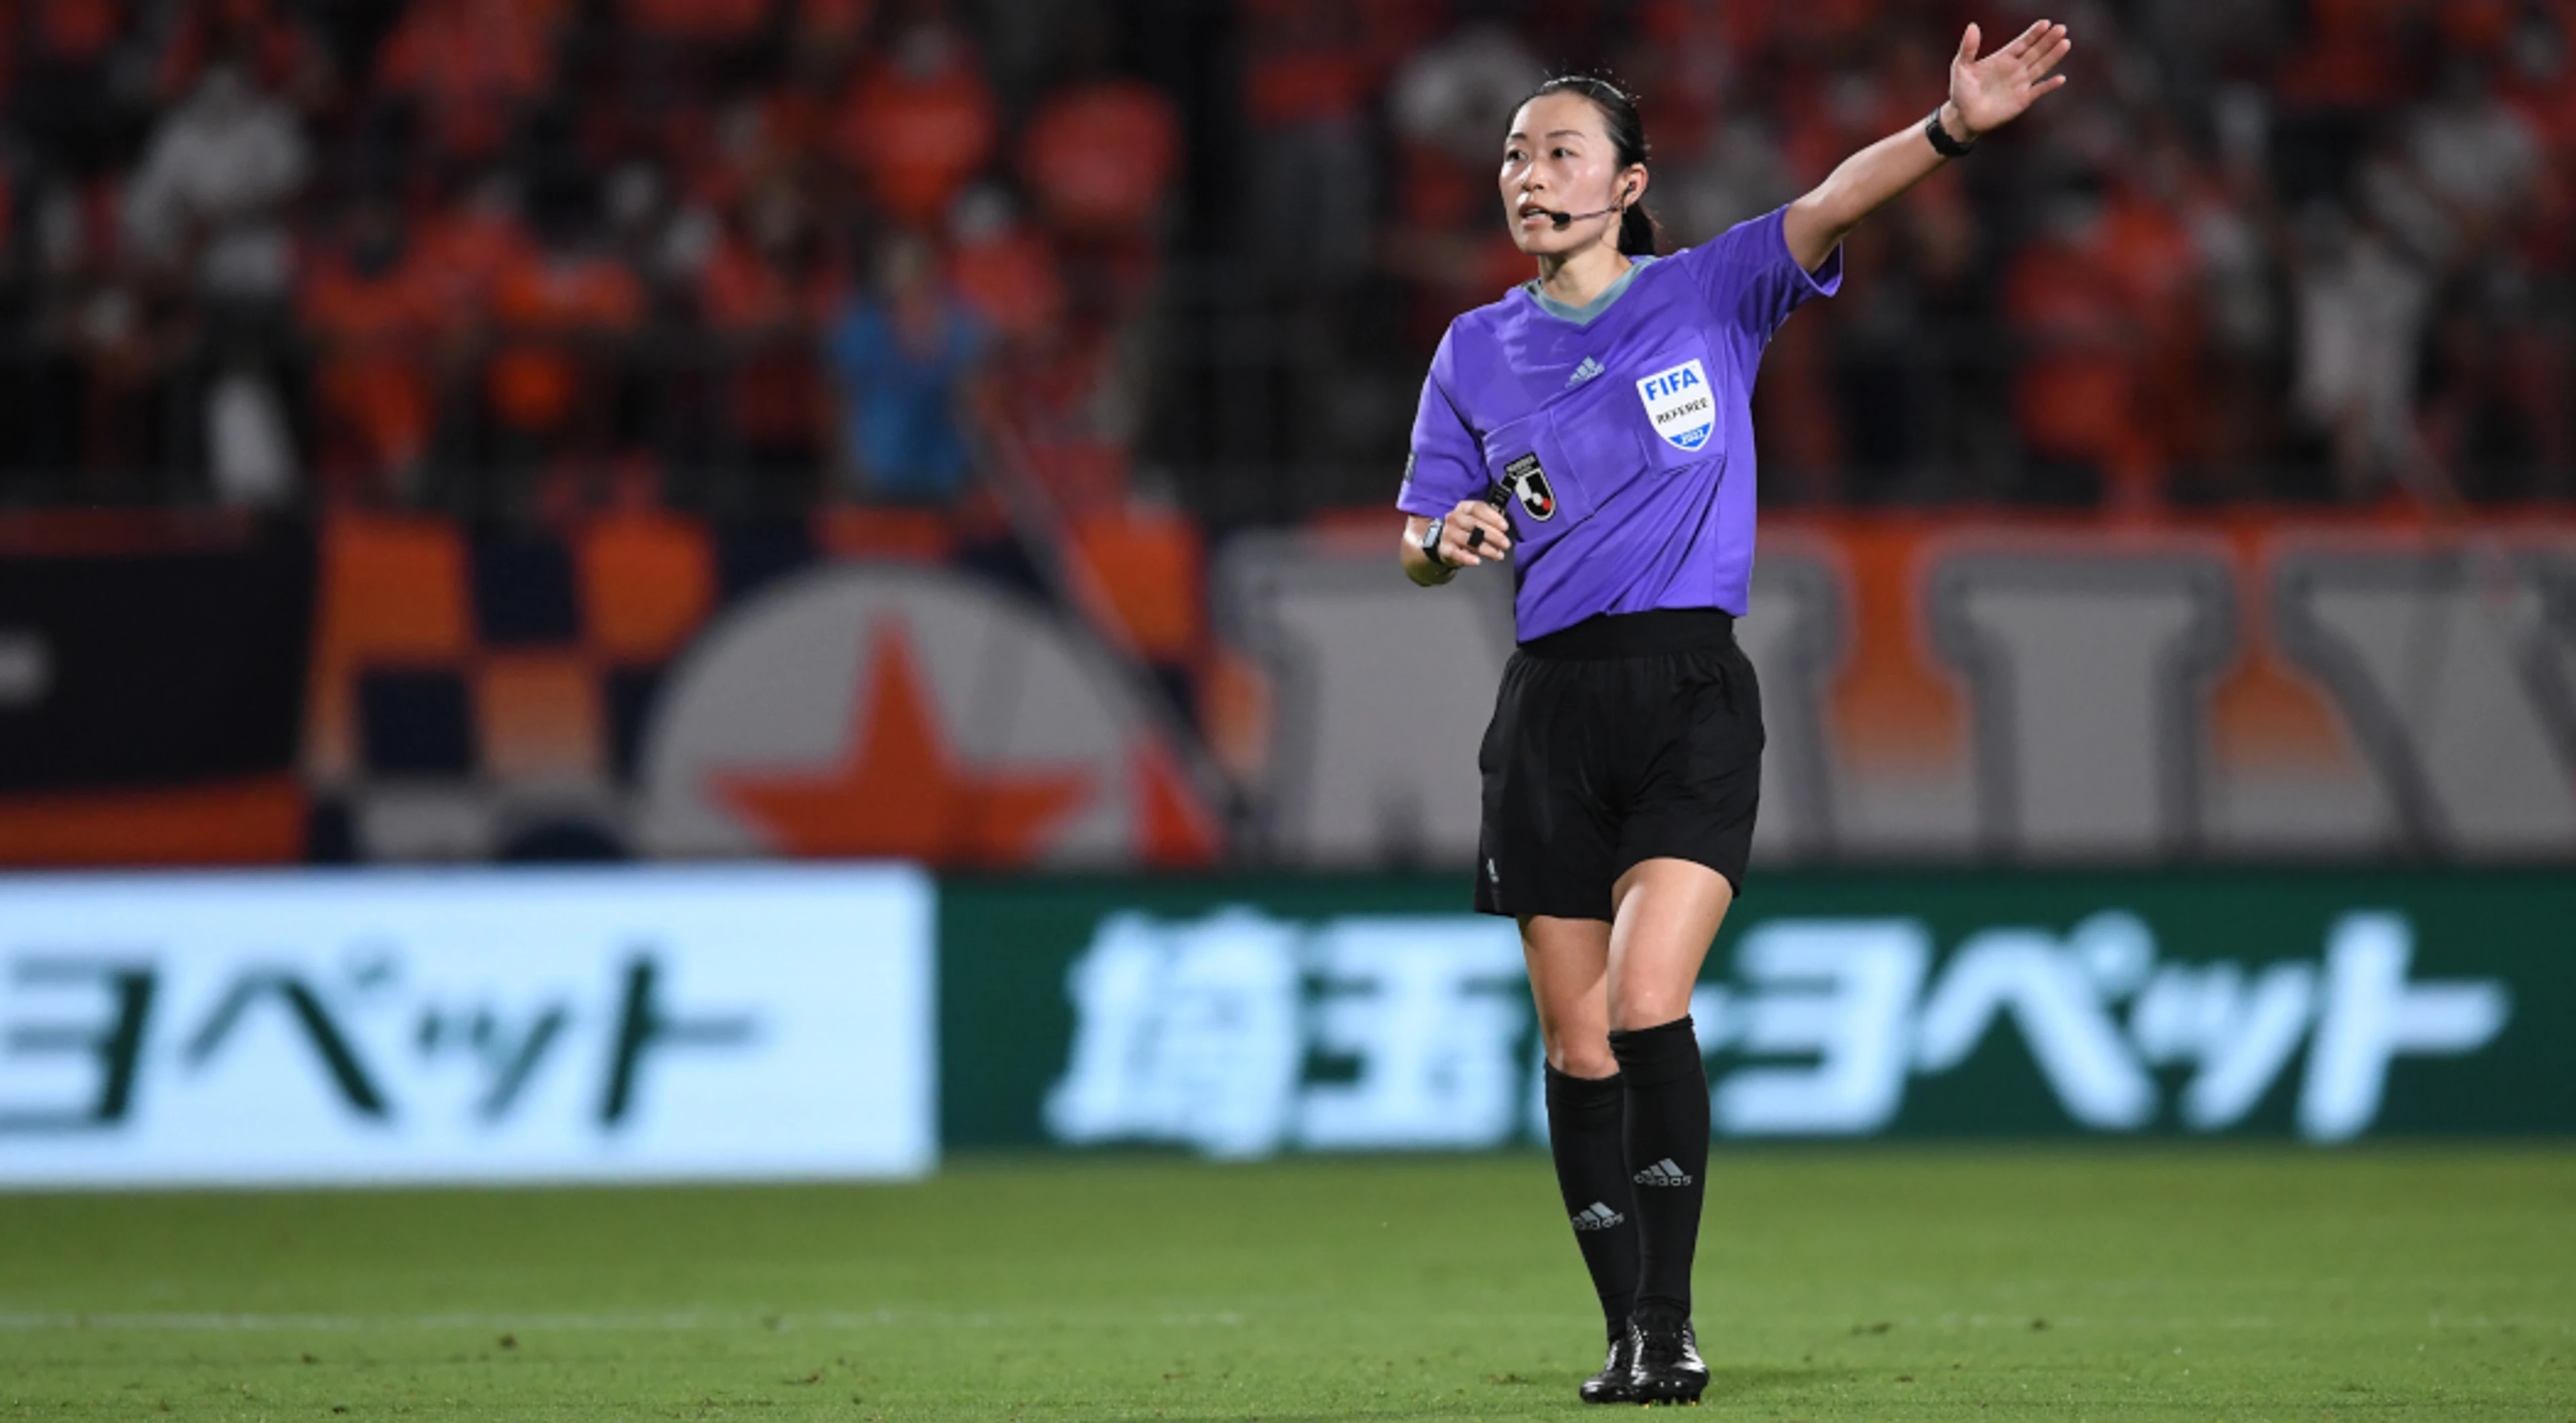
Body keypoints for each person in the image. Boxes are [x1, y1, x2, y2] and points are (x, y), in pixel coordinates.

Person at [1393, 22, 2072, 1407]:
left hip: (1690, 690)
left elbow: (1831, 198)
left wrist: (1948, 131)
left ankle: (1669, 1317)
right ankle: (1621, 1331)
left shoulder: (1712, 294)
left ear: (1629, 182)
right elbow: (1417, 533)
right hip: (1549, 707)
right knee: (1575, 1044)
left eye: (1561, 151)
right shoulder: (1475, 351)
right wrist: (1444, 534)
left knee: (1651, 1003)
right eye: (1516, 155)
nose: (1529, 174)